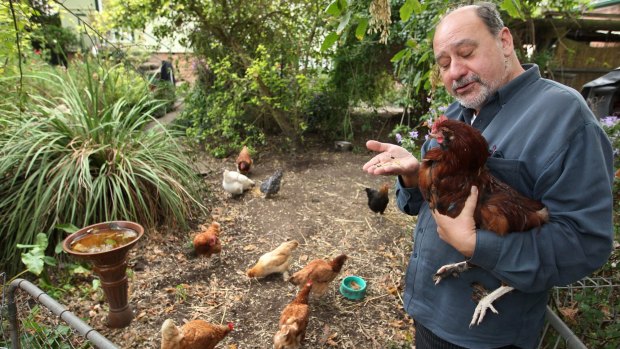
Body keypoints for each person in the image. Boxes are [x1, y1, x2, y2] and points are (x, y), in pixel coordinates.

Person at [363, 2, 614, 349]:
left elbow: (586, 243)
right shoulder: (458, 111)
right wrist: (412, 176)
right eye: (445, 63)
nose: (455, 72)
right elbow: (418, 206)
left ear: (505, 41)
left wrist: (477, 245)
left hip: (485, 334)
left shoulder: (564, 117)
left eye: (466, 52)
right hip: (428, 308)